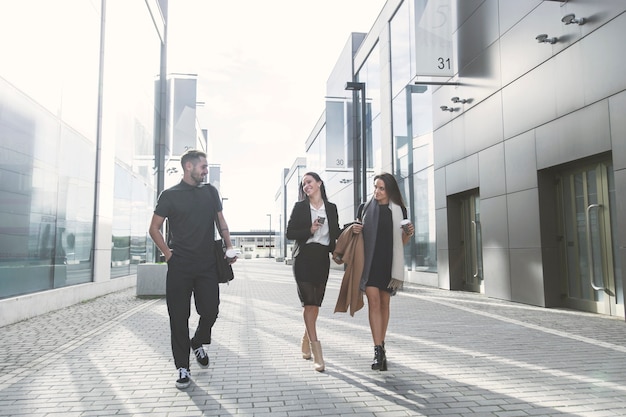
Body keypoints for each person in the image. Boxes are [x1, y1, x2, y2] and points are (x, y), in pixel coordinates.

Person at [148, 149, 237, 389]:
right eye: (203, 167)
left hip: (207, 264)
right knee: (178, 318)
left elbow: (221, 222)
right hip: (179, 267)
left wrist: (229, 247)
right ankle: (182, 368)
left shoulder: (210, 192)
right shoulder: (169, 195)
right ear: (189, 166)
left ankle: (197, 341)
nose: (206, 171)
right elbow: (154, 228)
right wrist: (168, 254)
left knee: (211, 310)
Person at [350, 172, 414, 371]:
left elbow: (400, 243)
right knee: (374, 302)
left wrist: (408, 234)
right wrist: (354, 230)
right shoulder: (365, 208)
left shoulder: (399, 210)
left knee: (385, 304)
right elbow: (357, 237)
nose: (376, 192)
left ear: (389, 190)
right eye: (375, 187)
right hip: (369, 264)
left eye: (381, 188)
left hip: (389, 263)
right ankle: (378, 350)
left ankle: (382, 343)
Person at [286, 172, 341, 372]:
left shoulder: (331, 208)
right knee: (309, 303)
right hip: (303, 258)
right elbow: (289, 233)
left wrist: (349, 234)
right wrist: (309, 230)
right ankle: (317, 352)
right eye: (303, 184)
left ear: (319, 183)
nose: (306, 186)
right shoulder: (300, 207)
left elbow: (335, 233)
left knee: (316, 305)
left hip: (321, 259)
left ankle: (305, 337)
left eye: (309, 182)